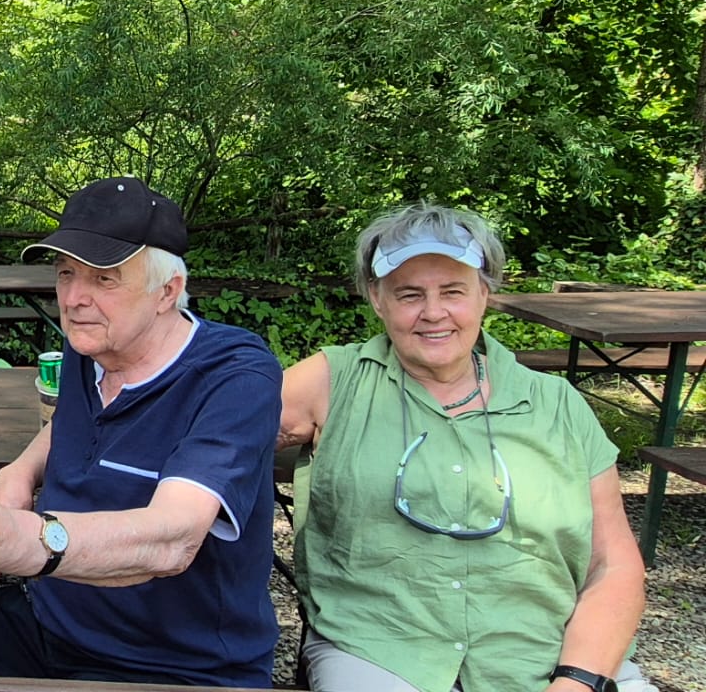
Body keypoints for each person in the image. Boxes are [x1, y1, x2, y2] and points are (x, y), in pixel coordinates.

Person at [0, 177, 283, 687]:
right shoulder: (93, 346)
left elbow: (173, 539)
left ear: (167, 292)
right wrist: (21, 470)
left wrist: (11, 537)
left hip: (178, 664)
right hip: (46, 621)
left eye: (105, 279)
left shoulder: (235, 376)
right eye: (66, 273)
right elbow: (72, 421)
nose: (74, 298)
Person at [277, 204, 654, 692]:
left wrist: (576, 681)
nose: (433, 312)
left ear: (484, 293)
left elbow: (614, 565)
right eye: (410, 294)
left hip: (542, 653)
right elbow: (213, 431)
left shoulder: (556, 404)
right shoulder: (334, 381)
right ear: (377, 298)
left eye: (452, 291)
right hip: (381, 649)